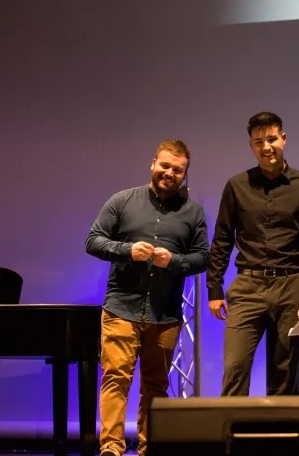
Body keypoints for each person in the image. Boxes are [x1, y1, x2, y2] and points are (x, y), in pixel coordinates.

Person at [85, 139, 209, 456]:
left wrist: (175, 262)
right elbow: (93, 241)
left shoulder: (193, 213)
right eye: (165, 165)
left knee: (156, 386)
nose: (170, 173)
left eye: (177, 170)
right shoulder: (122, 201)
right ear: (153, 163)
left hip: (165, 314)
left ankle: (149, 446)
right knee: (116, 379)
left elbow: (203, 258)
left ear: (185, 174)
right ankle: (111, 446)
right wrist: (127, 250)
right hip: (120, 308)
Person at [207, 111, 299, 396]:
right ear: (251, 146)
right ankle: (232, 440)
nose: (266, 147)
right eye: (258, 141)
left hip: (291, 286)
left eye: (272, 139)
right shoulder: (236, 186)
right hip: (247, 285)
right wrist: (214, 288)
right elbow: (223, 239)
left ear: (283, 139)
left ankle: (277, 440)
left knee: (283, 374)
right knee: (235, 369)